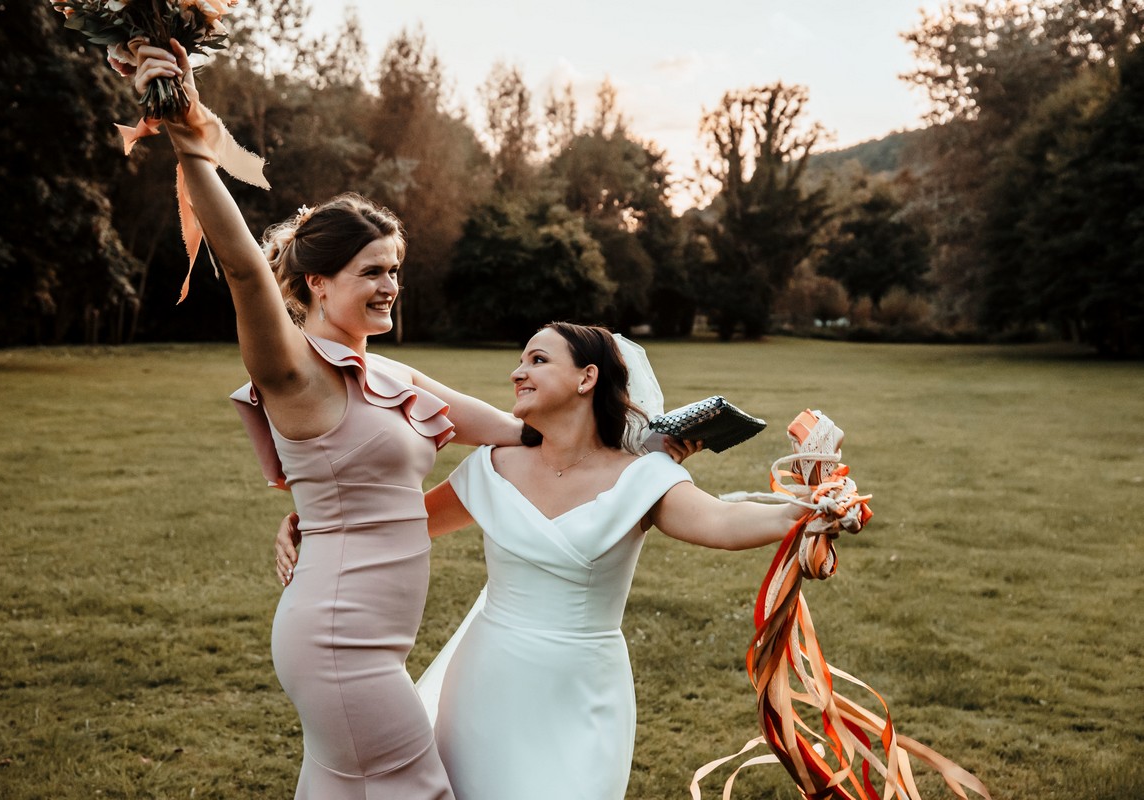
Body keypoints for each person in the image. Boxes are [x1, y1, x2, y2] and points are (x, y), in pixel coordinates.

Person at [130, 42, 529, 799]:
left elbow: (515, 432)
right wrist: (188, 136)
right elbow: (245, 266)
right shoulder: (294, 373)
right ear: (317, 281)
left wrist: (644, 436)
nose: (391, 287)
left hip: (366, 636)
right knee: (422, 789)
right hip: (340, 644)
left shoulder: (392, 376)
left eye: (395, 270)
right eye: (372, 271)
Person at [274, 323, 866, 800]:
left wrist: (812, 513)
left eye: (536, 360)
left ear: (587, 377)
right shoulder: (492, 465)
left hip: (582, 691)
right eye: (520, 361)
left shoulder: (645, 477)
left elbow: (721, 521)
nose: (517, 372)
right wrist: (309, 523)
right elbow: (396, 526)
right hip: (484, 682)